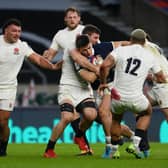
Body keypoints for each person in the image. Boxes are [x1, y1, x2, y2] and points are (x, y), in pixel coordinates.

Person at [98, 28, 166, 159]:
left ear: (131, 39)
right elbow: (161, 78)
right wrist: (151, 76)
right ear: (144, 41)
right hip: (136, 97)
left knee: (116, 119)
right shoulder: (149, 55)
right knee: (147, 112)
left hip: (118, 96)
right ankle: (136, 143)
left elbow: (104, 66)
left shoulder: (120, 50)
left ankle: (113, 149)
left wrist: (103, 82)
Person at [0, 18, 63, 157]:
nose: (17, 34)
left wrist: (52, 66)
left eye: (19, 31)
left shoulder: (22, 46)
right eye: (14, 31)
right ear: (6, 31)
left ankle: (2, 148)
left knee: (3, 121)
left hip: (7, 89)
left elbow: (38, 59)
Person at [70, 24, 134, 159]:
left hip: (111, 85)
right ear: (79, 50)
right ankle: (135, 138)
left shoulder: (102, 47)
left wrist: (139, 45)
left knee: (104, 114)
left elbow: (122, 44)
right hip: (94, 90)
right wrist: (100, 66)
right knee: (102, 119)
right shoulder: (78, 61)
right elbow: (90, 78)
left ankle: (110, 146)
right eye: (84, 50)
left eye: (89, 48)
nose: (88, 52)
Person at [43, 7, 98, 155]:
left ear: (79, 18)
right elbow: (52, 53)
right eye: (70, 17)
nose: (72, 19)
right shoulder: (60, 35)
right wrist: (47, 55)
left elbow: (96, 48)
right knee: (67, 117)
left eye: (75, 17)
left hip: (84, 85)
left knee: (91, 115)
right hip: (67, 84)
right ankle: (49, 149)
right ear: (65, 19)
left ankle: (79, 137)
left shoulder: (85, 31)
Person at [126, 30, 168, 157]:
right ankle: (142, 143)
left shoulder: (144, 50)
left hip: (164, 85)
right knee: (140, 109)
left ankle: (140, 143)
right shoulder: (153, 47)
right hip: (156, 86)